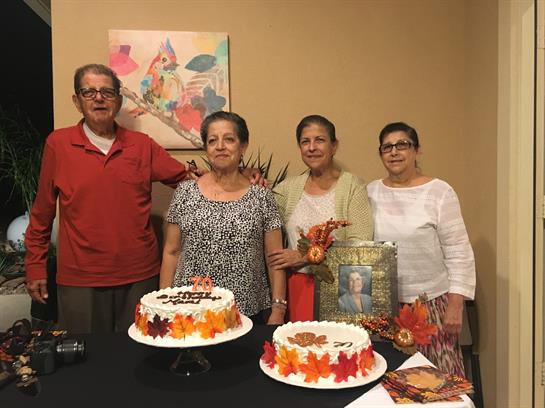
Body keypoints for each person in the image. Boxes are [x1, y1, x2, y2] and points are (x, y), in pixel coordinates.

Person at [24, 64, 261, 334]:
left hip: (140, 276)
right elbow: (42, 213)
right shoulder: (59, 144)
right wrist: (35, 267)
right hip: (81, 278)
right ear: (76, 101)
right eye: (89, 92)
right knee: (87, 360)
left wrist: (242, 175)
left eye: (107, 92)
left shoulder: (141, 145)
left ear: (119, 100)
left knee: (140, 355)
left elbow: (193, 181)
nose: (99, 98)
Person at [366, 122, 475, 377]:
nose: (394, 152)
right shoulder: (370, 192)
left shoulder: (439, 191)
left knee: (438, 382)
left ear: (417, 150)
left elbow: (458, 249)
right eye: (387, 147)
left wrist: (456, 302)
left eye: (402, 145)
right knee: (391, 381)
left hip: (432, 304)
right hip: (386, 308)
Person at [159, 111, 286, 324]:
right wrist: (163, 301)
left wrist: (279, 310)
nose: (220, 146)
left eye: (229, 139)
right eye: (212, 140)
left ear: (243, 146)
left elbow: (274, 259)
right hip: (190, 309)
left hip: (245, 309)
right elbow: (172, 252)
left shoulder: (261, 196)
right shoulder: (185, 192)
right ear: (206, 148)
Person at [269, 115, 373, 322]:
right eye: (305, 142)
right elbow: (263, 220)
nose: (311, 147)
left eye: (320, 140)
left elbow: (360, 246)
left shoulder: (353, 187)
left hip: (340, 288)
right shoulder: (287, 189)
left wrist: (304, 257)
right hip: (295, 290)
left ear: (334, 146)